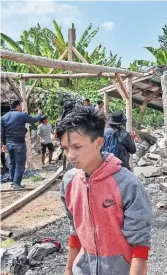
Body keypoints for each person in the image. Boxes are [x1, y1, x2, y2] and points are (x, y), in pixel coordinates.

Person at [56, 107, 151, 275]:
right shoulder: (69, 182)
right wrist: (69, 269)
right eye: (65, 148)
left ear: (98, 143)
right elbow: (75, 230)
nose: (70, 155)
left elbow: (140, 244)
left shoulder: (127, 184)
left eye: (77, 146)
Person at [1, 100, 42, 188]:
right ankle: (16, 183)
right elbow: (34, 119)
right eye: (20, 106)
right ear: (17, 106)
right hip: (19, 143)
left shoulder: (3, 117)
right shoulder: (21, 115)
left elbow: (2, 133)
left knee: (12, 163)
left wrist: (4, 144)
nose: (21, 108)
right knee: (20, 164)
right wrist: (39, 113)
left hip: (9, 144)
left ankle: (13, 182)